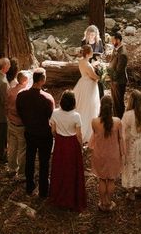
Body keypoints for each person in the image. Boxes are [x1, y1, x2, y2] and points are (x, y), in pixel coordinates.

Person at [16, 68, 54, 198]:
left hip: (30, 132)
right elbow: (51, 117)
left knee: (30, 159)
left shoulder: (21, 95)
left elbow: (19, 111)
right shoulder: (47, 98)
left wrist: (27, 122)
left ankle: (29, 186)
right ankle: (44, 191)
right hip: (44, 134)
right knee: (44, 162)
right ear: (42, 80)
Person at [49, 91, 87, 212]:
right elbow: (79, 135)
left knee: (59, 169)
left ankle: (58, 196)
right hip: (72, 145)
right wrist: (81, 147)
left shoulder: (55, 113)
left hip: (60, 144)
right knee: (72, 170)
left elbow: (53, 130)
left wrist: (58, 137)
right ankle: (72, 197)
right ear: (73, 102)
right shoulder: (76, 116)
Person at [89, 95, 124, 212]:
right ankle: (109, 202)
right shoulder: (118, 121)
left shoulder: (94, 122)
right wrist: (123, 153)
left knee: (102, 179)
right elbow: (121, 139)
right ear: (111, 107)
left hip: (100, 154)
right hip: (113, 154)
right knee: (111, 179)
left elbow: (94, 137)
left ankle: (102, 202)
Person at [121, 89, 141, 199]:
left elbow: (123, 133)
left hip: (132, 144)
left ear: (130, 101)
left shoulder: (127, 115)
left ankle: (131, 193)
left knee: (131, 165)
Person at [73, 44, 100, 143]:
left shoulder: (81, 62)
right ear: (88, 53)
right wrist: (102, 76)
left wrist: (93, 66)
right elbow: (94, 76)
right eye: (91, 51)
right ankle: (87, 130)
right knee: (89, 107)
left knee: (82, 105)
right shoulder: (88, 65)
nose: (93, 52)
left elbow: (86, 70)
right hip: (89, 86)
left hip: (82, 83)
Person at [5, 70, 29, 180]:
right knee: (22, 149)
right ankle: (21, 174)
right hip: (21, 124)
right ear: (24, 81)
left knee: (12, 147)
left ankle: (11, 168)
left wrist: (8, 117)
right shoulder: (25, 93)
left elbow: (5, 105)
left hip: (11, 122)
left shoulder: (10, 91)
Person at [82, 25, 105, 98]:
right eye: (90, 35)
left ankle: (100, 96)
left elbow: (102, 52)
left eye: (93, 35)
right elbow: (82, 54)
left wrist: (98, 60)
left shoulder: (99, 41)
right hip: (87, 63)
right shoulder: (84, 42)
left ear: (96, 34)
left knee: (99, 79)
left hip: (97, 63)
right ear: (87, 34)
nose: (92, 36)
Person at [108, 32, 128, 118]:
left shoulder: (122, 54)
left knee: (118, 102)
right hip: (114, 80)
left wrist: (108, 76)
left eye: (113, 40)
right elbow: (112, 62)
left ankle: (119, 119)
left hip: (119, 81)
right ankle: (115, 117)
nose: (112, 42)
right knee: (115, 101)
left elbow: (119, 71)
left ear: (118, 40)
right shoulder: (116, 49)